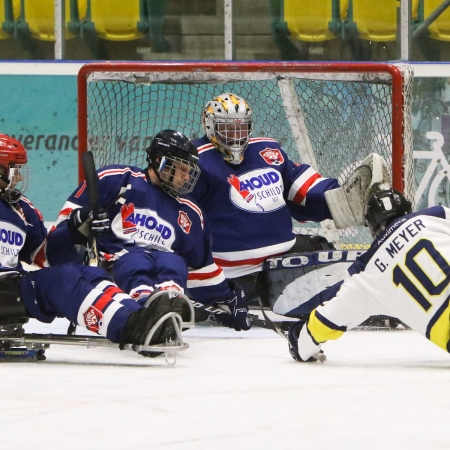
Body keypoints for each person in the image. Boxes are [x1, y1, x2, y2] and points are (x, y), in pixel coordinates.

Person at [191, 92, 390, 302]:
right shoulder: (196, 161)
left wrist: (337, 196)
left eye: (240, 127)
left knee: (321, 248)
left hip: (282, 262)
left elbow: (299, 184)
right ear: (210, 126)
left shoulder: (266, 150)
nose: (235, 135)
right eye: (227, 128)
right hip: (232, 273)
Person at [0, 134, 187, 354]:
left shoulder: (20, 209)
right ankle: (131, 328)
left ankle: (143, 316)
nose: (19, 178)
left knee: (86, 272)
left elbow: (46, 256)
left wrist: (75, 230)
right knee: (62, 280)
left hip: (9, 285)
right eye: (13, 169)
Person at [48, 130, 251, 332]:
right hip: (115, 261)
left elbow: (202, 267)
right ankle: (145, 304)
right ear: (158, 160)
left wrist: (228, 295)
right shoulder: (118, 179)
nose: (185, 177)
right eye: (180, 169)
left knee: (173, 261)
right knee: (136, 259)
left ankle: (171, 302)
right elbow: (65, 223)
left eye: (189, 170)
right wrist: (80, 224)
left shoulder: (191, 211)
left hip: (164, 261)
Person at [288, 188, 450, 363]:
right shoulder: (435, 215)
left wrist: (301, 340)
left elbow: (319, 326)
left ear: (372, 227)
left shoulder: (365, 274)